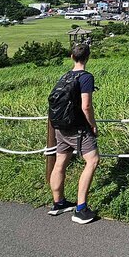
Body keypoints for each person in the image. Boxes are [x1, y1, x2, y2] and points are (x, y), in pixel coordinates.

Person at [48, 43, 100, 224]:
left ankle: (58, 203)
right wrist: (92, 125)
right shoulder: (85, 78)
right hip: (77, 127)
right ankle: (81, 208)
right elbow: (86, 105)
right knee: (92, 161)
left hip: (60, 127)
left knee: (60, 162)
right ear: (88, 57)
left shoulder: (65, 76)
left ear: (72, 56)